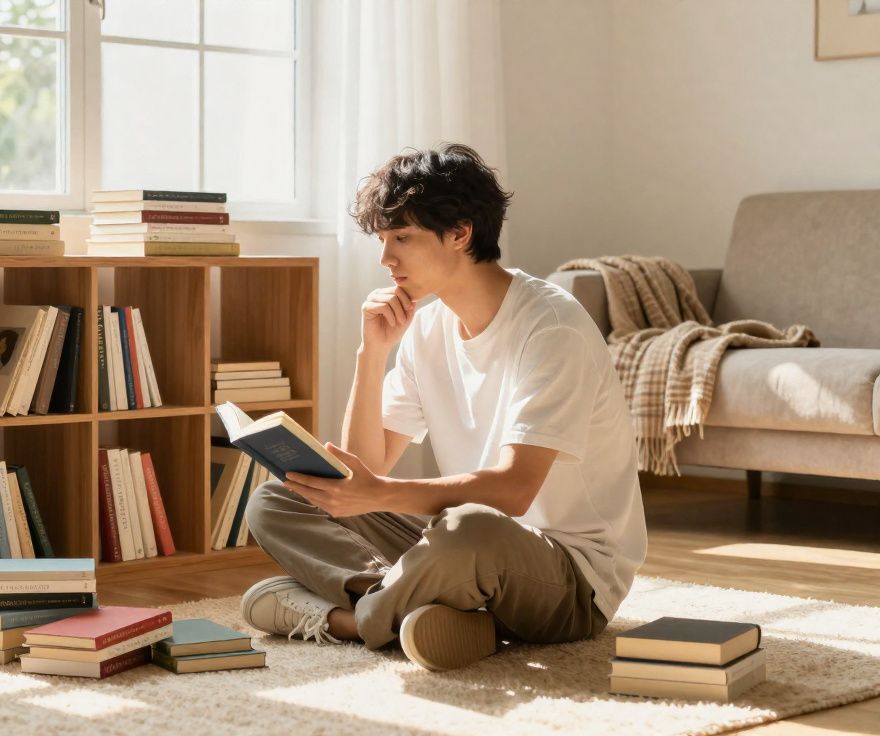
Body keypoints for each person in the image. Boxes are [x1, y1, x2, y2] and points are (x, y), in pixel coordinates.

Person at [239, 143, 647, 671]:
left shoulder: (552, 327)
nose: (386, 259)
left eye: (402, 238)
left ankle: (348, 620)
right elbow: (367, 465)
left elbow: (513, 491)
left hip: (569, 578)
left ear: (459, 233)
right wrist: (373, 354)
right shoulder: (427, 329)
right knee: (278, 500)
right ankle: (425, 610)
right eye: (383, 240)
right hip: (454, 542)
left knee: (471, 527)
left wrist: (381, 493)